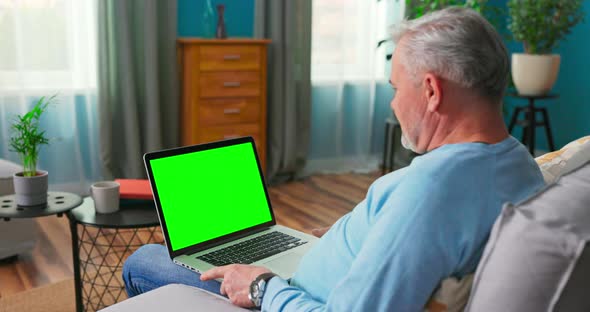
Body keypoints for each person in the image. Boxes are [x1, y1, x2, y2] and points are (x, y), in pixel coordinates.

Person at [123, 7, 545, 311]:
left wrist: (260, 286)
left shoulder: (431, 189)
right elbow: (412, 244)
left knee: (145, 261)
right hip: (311, 272)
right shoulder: (519, 162)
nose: (395, 104)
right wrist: (344, 236)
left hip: (287, 297)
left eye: (396, 88)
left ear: (432, 91)